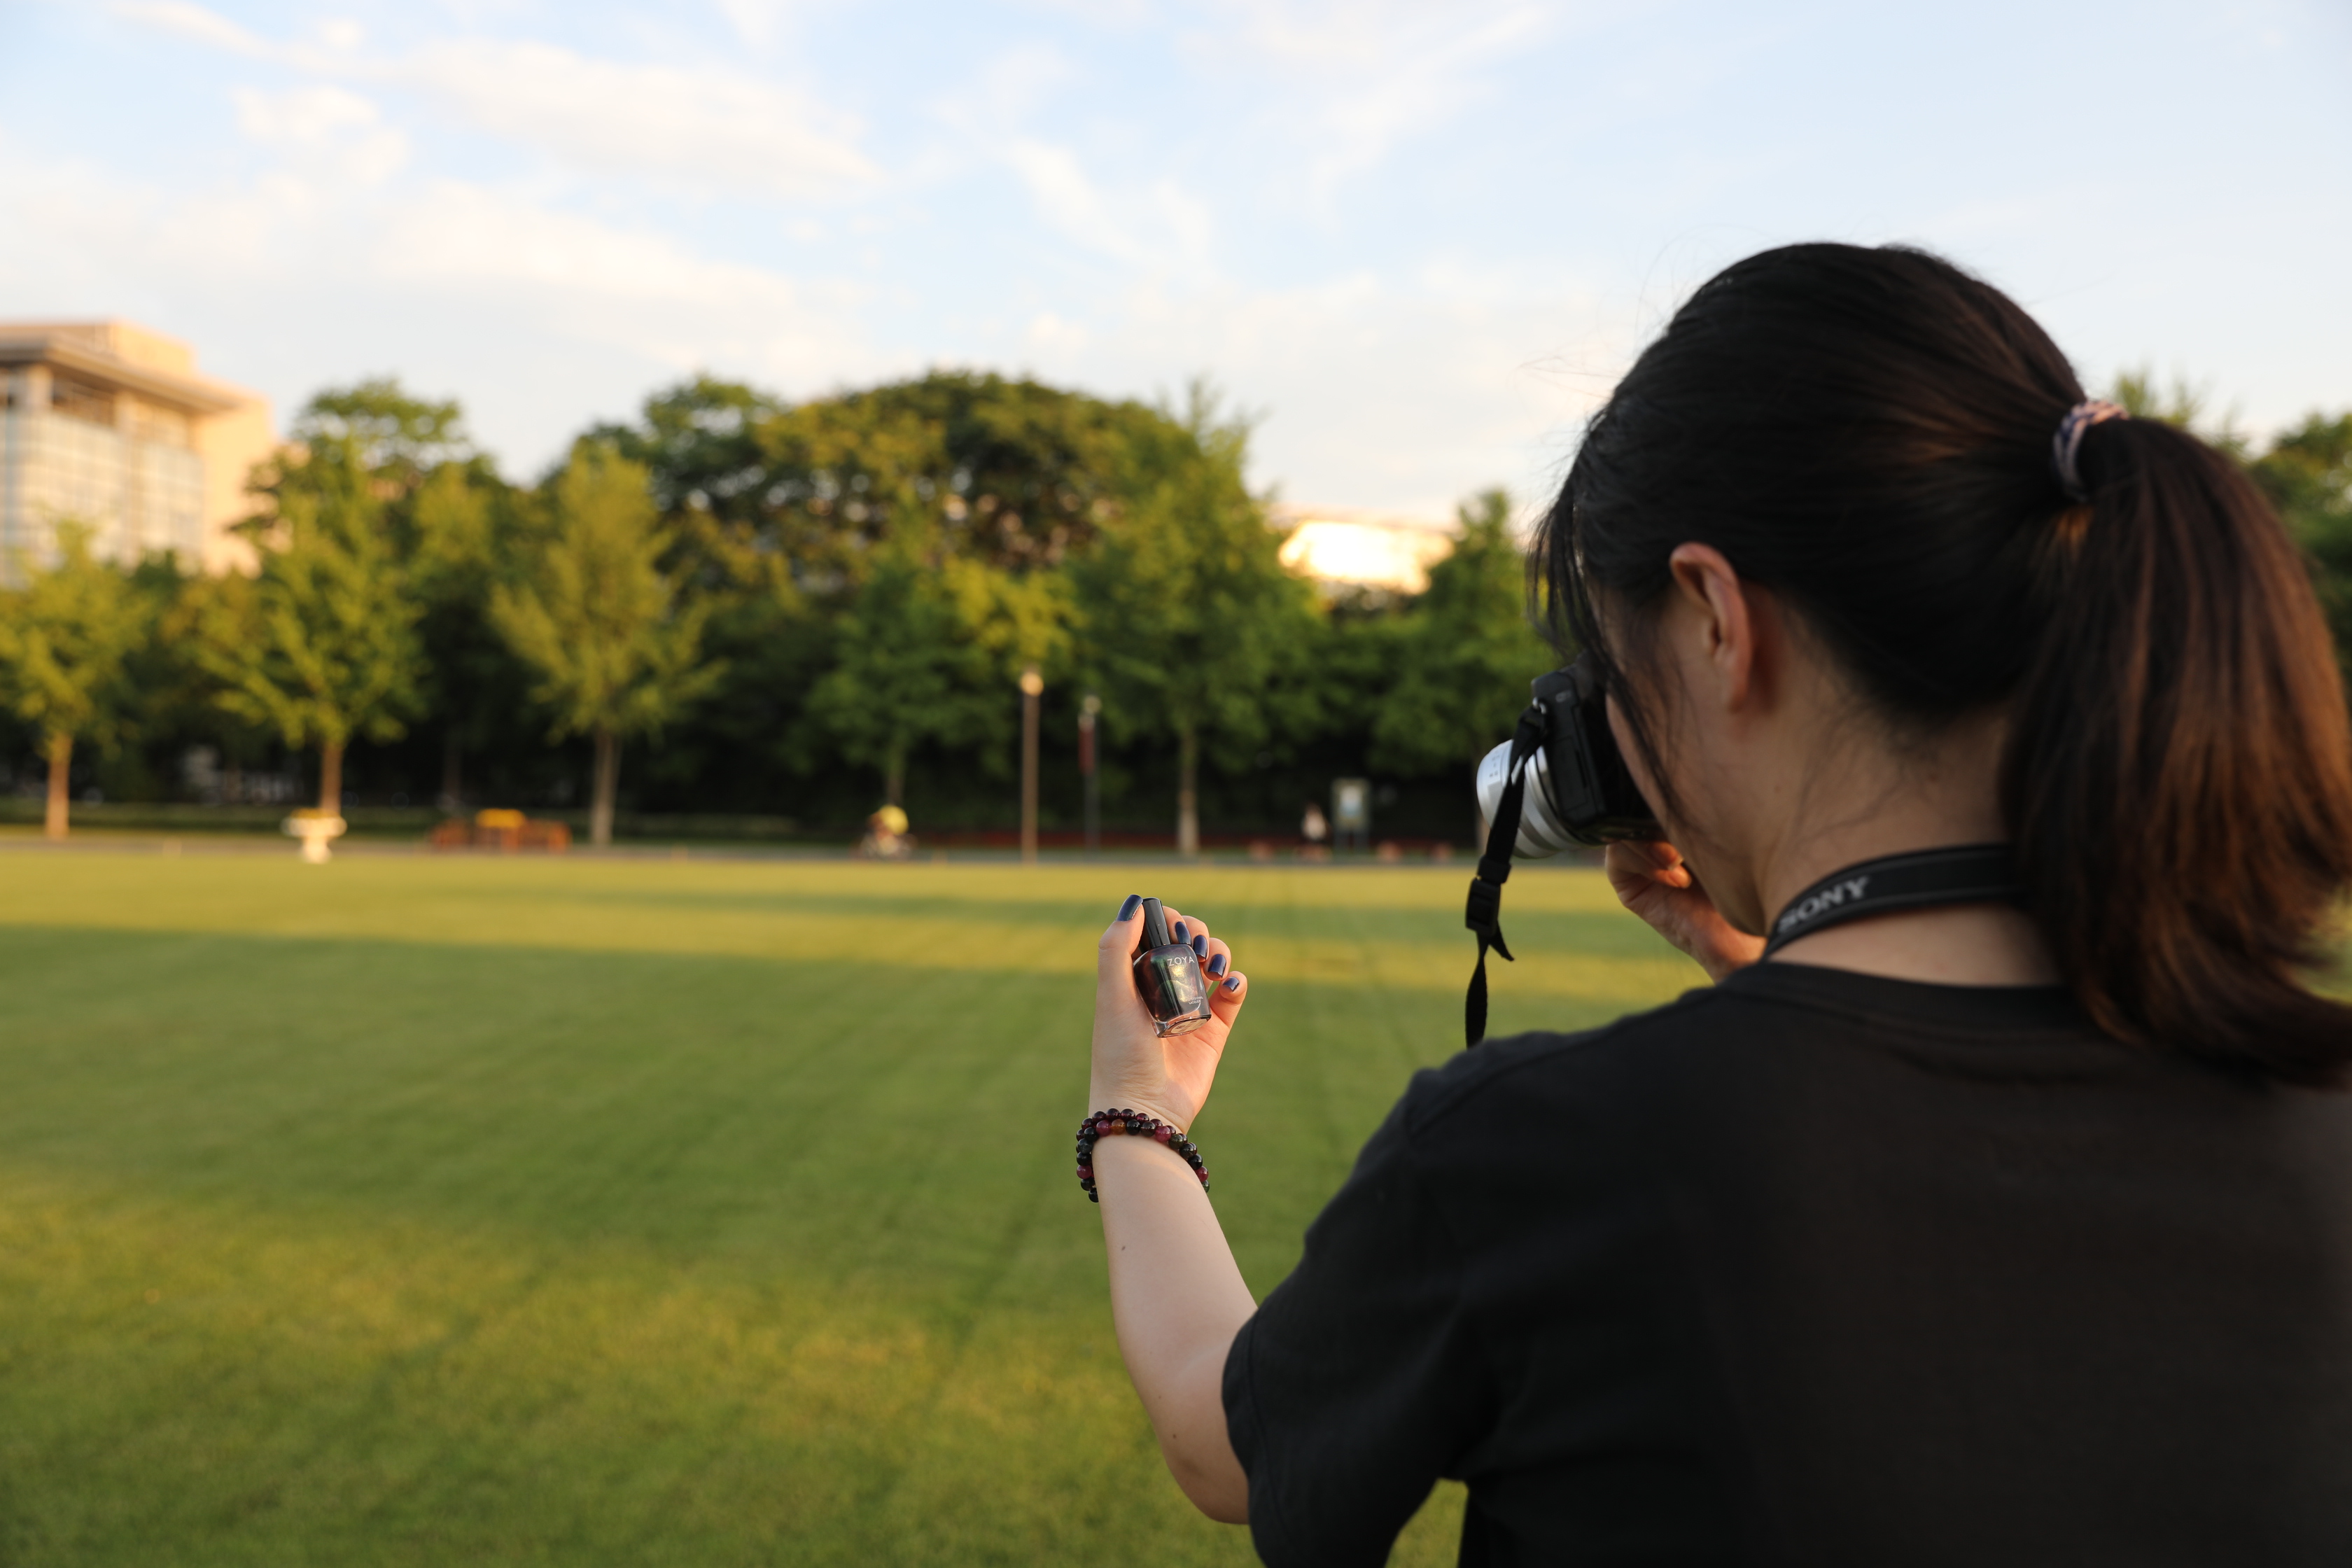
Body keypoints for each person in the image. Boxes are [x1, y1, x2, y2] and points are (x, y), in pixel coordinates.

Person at [1079, 243, 2352, 1566]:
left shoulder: (1544, 1154)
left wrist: (1139, 1109)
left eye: (1615, 673)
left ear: (1714, 620)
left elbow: (1219, 1435)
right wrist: (1777, 983)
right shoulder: (2316, 1110)